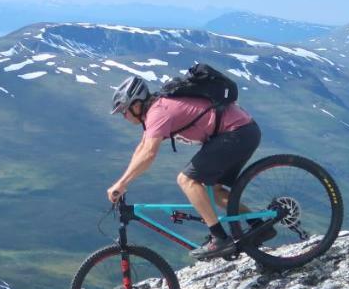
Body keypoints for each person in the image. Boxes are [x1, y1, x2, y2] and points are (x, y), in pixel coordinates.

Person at [107, 75, 263, 260]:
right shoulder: (155, 110)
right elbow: (141, 149)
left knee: (186, 180)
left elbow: (149, 154)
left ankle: (220, 238)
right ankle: (259, 226)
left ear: (136, 104)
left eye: (124, 111)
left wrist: (123, 183)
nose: (124, 116)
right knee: (214, 192)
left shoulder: (158, 112)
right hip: (242, 131)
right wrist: (122, 182)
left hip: (237, 133)